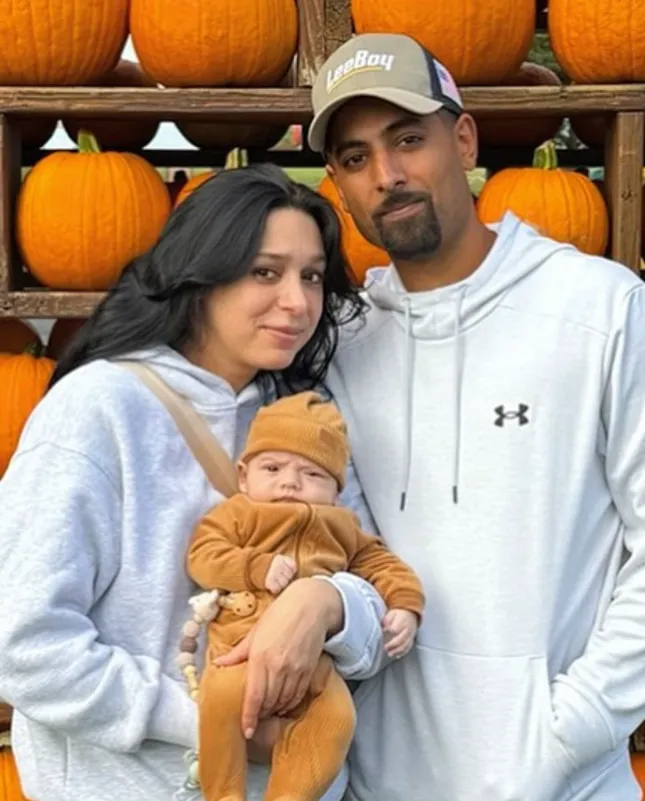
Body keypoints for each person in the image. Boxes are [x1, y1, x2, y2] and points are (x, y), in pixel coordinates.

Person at [306, 31, 645, 801]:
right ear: (337, 182)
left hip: (559, 780)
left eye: (406, 139)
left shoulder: (598, 309)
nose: (386, 175)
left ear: (462, 138)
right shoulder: (341, 344)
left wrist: (570, 728)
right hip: (378, 782)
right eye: (355, 158)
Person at [0, 163, 390, 801]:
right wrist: (217, 717)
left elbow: (377, 591)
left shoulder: (304, 415)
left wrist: (332, 607)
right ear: (200, 273)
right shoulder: (100, 410)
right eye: (265, 272)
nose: (297, 302)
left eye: (312, 276)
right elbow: (21, 642)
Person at [186, 390, 424, 801]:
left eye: (313, 474)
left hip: (315, 666)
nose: (290, 482)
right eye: (273, 467)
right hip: (237, 654)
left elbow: (382, 565)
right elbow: (203, 556)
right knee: (220, 702)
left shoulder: (343, 527)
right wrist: (255, 567)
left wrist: (406, 605)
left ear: (336, 490)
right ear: (244, 476)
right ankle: (224, 793)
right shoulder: (238, 513)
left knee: (337, 719)